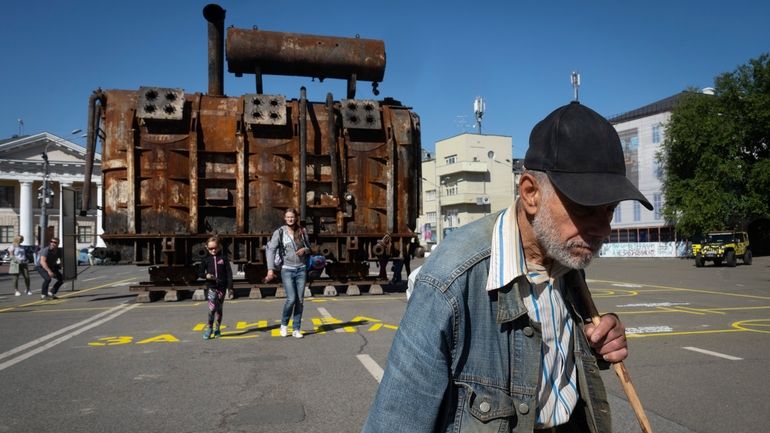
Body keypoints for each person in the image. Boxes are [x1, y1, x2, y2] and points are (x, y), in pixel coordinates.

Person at [362, 101, 653, 433]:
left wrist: (595, 344)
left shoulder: (565, 259)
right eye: (586, 209)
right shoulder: (450, 282)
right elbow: (395, 422)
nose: (604, 229)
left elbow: (548, 367)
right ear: (530, 193)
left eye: (610, 210)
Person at [265, 208, 311, 339]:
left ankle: (296, 328)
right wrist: (270, 269)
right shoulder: (279, 232)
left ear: (296, 218)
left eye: (292, 217)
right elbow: (271, 250)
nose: (290, 219)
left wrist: (304, 250)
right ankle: (284, 325)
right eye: (288, 217)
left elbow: (310, 247)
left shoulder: (302, 231)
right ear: (285, 218)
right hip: (287, 269)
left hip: (301, 269)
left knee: (300, 301)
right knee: (291, 299)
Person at [198, 236, 233, 340]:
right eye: (210, 248)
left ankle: (217, 328)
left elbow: (229, 274)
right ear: (206, 247)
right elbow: (199, 273)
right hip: (211, 287)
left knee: (219, 309)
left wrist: (230, 288)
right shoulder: (205, 260)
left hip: (221, 288)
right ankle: (209, 327)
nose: (213, 250)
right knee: (212, 308)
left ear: (220, 247)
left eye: (215, 248)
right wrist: (206, 275)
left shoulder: (224, 258)